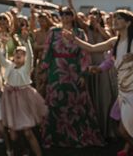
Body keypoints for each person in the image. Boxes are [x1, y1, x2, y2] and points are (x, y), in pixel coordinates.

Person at [67, 10, 133, 156]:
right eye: (114, 18)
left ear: (128, 23)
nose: (114, 20)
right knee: (127, 130)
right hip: (123, 92)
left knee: (125, 131)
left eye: (119, 18)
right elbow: (92, 48)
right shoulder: (115, 41)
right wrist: (74, 39)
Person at [39, 10, 104, 148]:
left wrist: (83, 74)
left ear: (72, 17)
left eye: (68, 15)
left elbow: (85, 53)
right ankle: (54, 137)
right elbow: (47, 51)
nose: (65, 17)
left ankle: (77, 136)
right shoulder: (53, 31)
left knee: (76, 103)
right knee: (55, 101)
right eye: (63, 15)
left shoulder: (79, 33)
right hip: (56, 70)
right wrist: (44, 69)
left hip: (74, 70)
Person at [0, 32, 49, 156]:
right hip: (10, 100)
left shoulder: (26, 68)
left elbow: (31, 57)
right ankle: (24, 151)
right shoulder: (9, 66)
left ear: (25, 58)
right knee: (14, 134)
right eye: (16, 52)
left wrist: (25, 43)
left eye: (21, 53)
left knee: (28, 132)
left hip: (24, 99)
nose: (18, 54)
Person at [85, 7, 118, 139]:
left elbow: (111, 40)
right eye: (92, 15)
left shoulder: (106, 30)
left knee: (105, 96)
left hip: (104, 65)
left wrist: (99, 27)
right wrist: (70, 1)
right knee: (92, 96)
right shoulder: (86, 30)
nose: (94, 17)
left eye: (96, 15)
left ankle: (109, 129)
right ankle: (95, 129)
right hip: (90, 64)